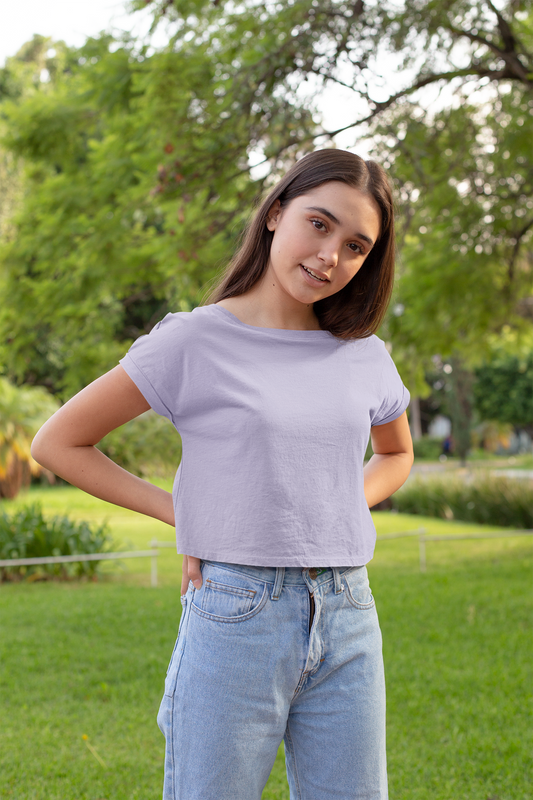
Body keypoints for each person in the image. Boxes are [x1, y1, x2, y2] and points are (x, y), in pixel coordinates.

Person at [32, 148, 414, 800]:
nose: (330, 256)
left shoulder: (363, 355)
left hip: (349, 612)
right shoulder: (193, 340)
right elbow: (60, 442)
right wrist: (183, 512)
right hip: (236, 612)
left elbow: (396, 454)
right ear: (273, 214)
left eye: (355, 246)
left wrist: (340, 502)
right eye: (317, 225)